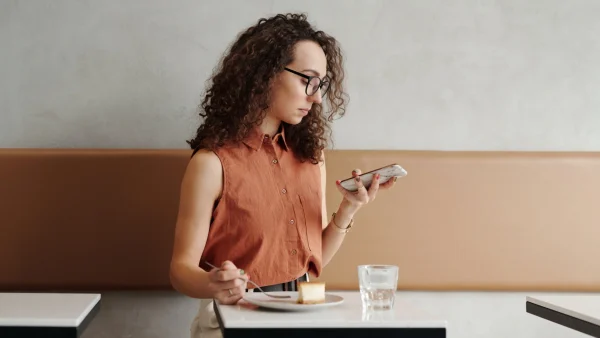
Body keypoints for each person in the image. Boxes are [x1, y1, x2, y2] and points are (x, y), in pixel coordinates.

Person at [169, 13, 398, 337]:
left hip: (299, 315)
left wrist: (349, 207)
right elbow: (180, 271)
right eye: (308, 79)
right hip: (232, 321)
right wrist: (214, 284)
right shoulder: (212, 163)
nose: (317, 96)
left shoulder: (311, 157)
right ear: (265, 74)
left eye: (322, 84)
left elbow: (311, 261)